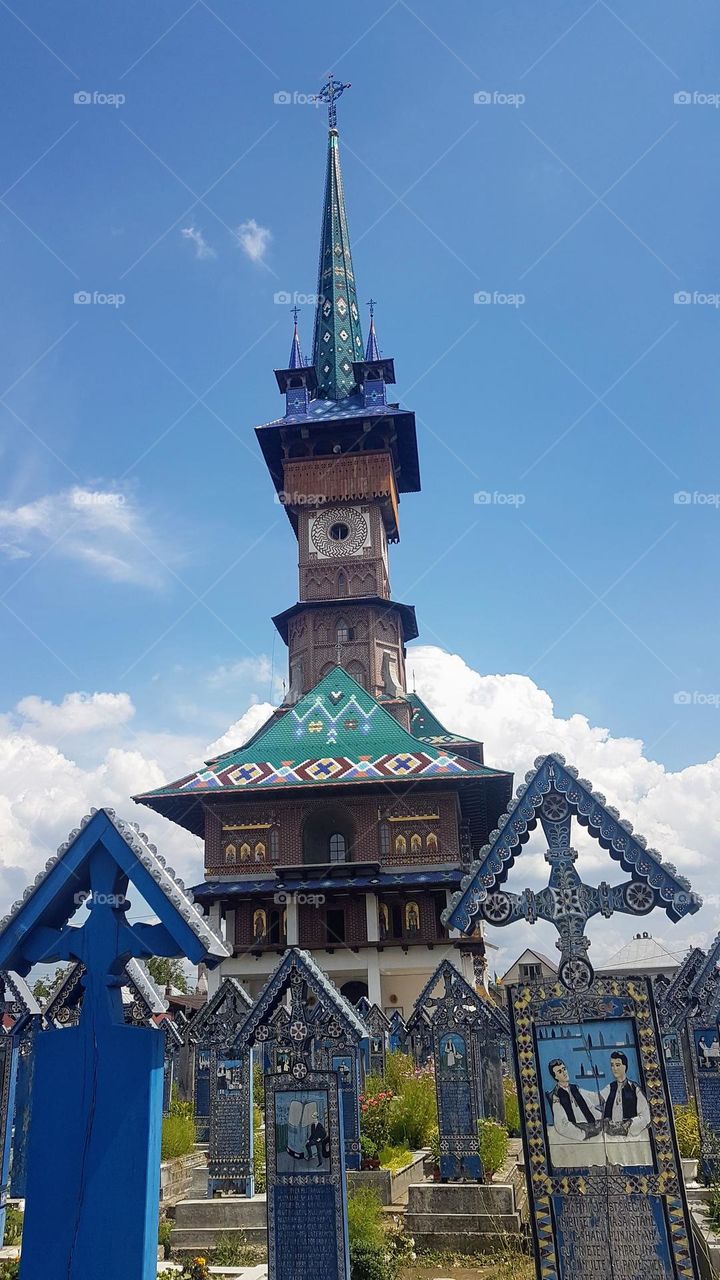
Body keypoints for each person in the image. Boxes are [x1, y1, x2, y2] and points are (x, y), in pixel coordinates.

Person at [547, 1059, 602, 1141]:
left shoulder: (575, 1088)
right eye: (560, 1071)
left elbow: (590, 1106)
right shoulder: (556, 1096)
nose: (564, 1073)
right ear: (555, 1076)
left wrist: (600, 1119)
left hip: (590, 1127)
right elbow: (561, 1125)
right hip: (579, 1134)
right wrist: (583, 1134)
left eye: (564, 1069)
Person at [599, 1051, 650, 1137]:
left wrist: (627, 1125)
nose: (614, 1068)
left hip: (630, 1137)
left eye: (618, 1065)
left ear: (625, 1066)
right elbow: (596, 1100)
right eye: (612, 1065)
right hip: (611, 1137)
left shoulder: (634, 1088)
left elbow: (645, 1117)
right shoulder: (610, 1088)